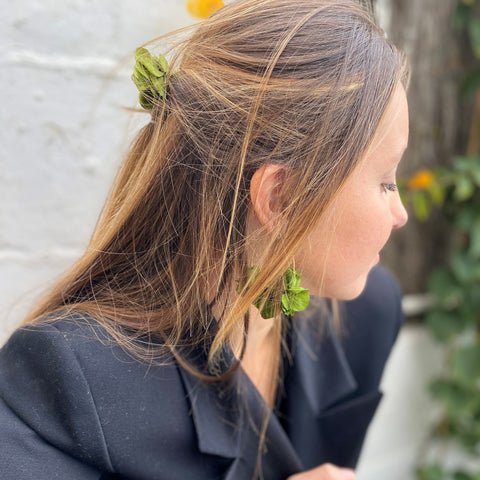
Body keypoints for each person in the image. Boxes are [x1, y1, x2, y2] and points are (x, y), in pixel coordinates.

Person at [0, 0, 410, 478]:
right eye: (386, 181)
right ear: (279, 197)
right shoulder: (69, 378)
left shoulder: (369, 314)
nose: (400, 213)